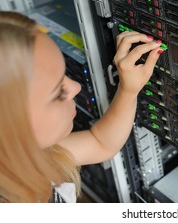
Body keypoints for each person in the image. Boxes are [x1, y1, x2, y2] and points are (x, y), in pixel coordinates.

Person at [0, 11, 163, 202]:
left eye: (65, 75)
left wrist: (128, 90)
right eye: (58, 92)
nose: (76, 87)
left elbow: (100, 143)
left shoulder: (25, 158)